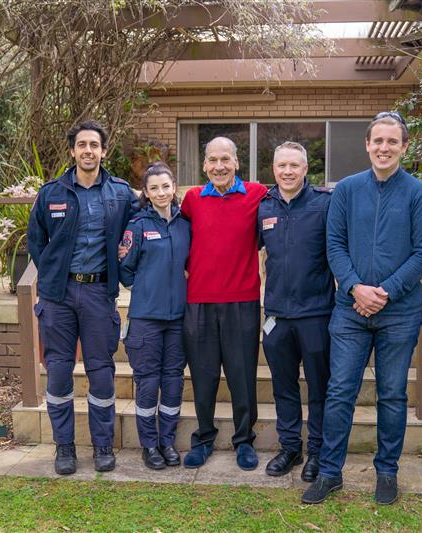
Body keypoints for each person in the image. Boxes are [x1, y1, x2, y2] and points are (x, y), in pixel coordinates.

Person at [301, 112, 422, 505]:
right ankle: (330, 472)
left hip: (399, 313)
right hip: (349, 311)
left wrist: (385, 292)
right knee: (340, 390)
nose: (384, 148)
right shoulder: (346, 190)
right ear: (367, 145)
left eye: (392, 141)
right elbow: (335, 246)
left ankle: (387, 473)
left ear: (404, 147)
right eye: (377, 141)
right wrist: (356, 288)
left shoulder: (419, 194)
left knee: (392, 394)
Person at [27, 119, 139, 475]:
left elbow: (140, 225)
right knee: (59, 374)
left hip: (98, 293)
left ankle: (103, 444)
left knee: (102, 373)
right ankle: (64, 448)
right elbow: (36, 240)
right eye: (82, 145)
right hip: (58, 297)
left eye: (95, 145)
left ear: (103, 151)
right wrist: (52, 274)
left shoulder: (120, 193)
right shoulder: (51, 193)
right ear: (73, 151)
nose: (88, 150)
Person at [179, 136, 268, 470]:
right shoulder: (191, 200)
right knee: (203, 376)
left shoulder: (258, 195)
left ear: (236, 162)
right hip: (198, 300)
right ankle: (203, 438)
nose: (219, 166)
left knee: (242, 375)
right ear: (204, 165)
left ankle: (244, 441)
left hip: (242, 300)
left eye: (225, 159)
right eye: (212, 160)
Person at [257, 142, 333, 481]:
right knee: (283, 385)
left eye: (294, 166)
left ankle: (316, 451)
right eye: (281, 165)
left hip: (315, 313)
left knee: (319, 386)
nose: (287, 171)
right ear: (273, 168)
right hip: (276, 315)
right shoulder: (263, 206)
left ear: (306, 169)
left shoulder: (324, 204)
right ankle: (290, 447)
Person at [119, 162, 190, 470]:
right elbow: (124, 269)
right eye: (154, 188)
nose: (161, 192)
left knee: (174, 381)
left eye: (166, 186)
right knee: (148, 382)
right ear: (145, 193)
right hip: (146, 318)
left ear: (174, 188)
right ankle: (149, 445)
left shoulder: (185, 223)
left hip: (178, 318)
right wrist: (147, 288)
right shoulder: (137, 226)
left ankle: (167, 442)